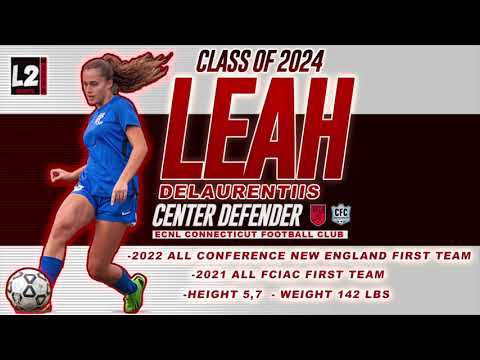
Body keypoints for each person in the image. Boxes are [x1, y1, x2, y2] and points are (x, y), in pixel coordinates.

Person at [35, 52, 172, 314]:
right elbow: (101, 158)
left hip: (117, 195)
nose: (88, 90)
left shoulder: (121, 107)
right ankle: (42, 298)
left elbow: (140, 148)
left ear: (109, 83)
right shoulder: (94, 116)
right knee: (60, 229)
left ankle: (132, 288)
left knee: (97, 268)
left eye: (93, 84)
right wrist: (72, 175)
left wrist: (122, 181)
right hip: (89, 186)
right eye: (85, 84)